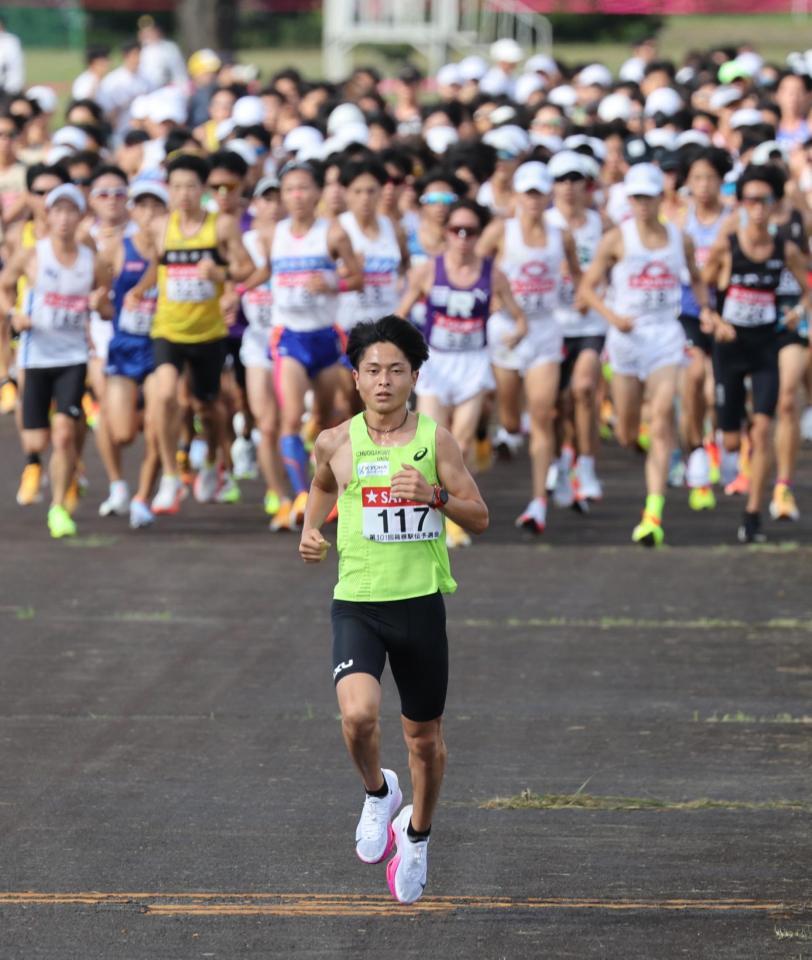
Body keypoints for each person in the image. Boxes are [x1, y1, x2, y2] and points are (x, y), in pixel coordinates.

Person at [298, 314, 488, 905]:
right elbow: (324, 483)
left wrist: (432, 495)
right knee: (357, 717)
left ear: (413, 377)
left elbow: (478, 515)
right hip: (357, 601)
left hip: (420, 606)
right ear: (355, 378)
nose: (384, 381)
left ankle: (419, 835)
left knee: (425, 742)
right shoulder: (334, 440)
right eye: (373, 370)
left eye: (396, 371)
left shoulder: (437, 441)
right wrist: (310, 529)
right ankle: (379, 791)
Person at [580, 163, 712, 547]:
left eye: (647, 196)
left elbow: (697, 277)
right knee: (625, 433)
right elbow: (588, 288)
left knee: (661, 421)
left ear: (660, 198)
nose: (640, 203)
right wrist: (612, 317)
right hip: (625, 340)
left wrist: (705, 310)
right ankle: (639, 439)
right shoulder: (616, 239)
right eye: (635, 197)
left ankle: (652, 514)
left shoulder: (678, 238)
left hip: (665, 336)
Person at [398, 198, 527, 546]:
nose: (463, 238)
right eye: (457, 230)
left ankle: (453, 514)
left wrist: (515, 333)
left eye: (470, 231)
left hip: (473, 363)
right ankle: (428, 511)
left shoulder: (492, 274)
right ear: (446, 233)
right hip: (436, 363)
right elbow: (401, 313)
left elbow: (519, 318)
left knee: (460, 442)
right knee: (428, 441)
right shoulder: (427, 270)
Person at [703, 164, 812, 543]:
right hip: (731, 346)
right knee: (732, 440)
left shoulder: (785, 248)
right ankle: (725, 442)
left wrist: (800, 309)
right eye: (750, 200)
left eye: (764, 201)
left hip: (766, 344)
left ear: (774, 203)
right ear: (742, 204)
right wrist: (713, 319)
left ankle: (752, 513)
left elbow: (807, 284)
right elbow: (699, 291)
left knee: (765, 428)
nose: (758, 208)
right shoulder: (726, 246)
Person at [255, 160, 362, 525]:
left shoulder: (332, 234)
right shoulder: (273, 233)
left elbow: (358, 279)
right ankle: (302, 496)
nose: (297, 196)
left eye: (304, 188)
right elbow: (261, 272)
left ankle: (325, 488)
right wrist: (237, 289)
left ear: (317, 193)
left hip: (324, 337)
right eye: (290, 190)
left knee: (324, 419)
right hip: (289, 337)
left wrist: (333, 284)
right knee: (289, 418)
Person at [145, 152, 252, 515]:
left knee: (208, 407)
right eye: (177, 187)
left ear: (203, 188)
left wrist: (221, 276)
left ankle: (210, 461)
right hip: (168, 330)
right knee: (164, 396)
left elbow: (245, 268)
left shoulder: (221, 226)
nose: (184, 194)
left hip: (208, 332)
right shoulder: (160, 227)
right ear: (169, 190)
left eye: (191, 186)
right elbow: (148, 271)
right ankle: (172, 477)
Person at [478, 160, 581, 533]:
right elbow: (474, 268)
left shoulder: (561, 235)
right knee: (509, 418)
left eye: (540, 193)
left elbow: (577, 274)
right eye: (528, 193)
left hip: (544, 331)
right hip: (506, 331)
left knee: (542, 412)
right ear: (517, 196)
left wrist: (579, 298)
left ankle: (538, 501)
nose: (535, 200)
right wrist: (491, 302)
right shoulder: (500, 232)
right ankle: (509, 430)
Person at [3, 184, 111, 538]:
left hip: (72, 355)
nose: (64, 219)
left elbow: (108, 306)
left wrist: (99, 305)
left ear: (81, 218)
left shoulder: (91, 260)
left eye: (71, 211)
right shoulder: (33, 255)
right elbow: (4, 286)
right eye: (58, 211)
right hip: (36, 357)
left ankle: (58, 507)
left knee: (63, 435)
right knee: (37, 442)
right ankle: (60, 462)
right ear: (47, 216)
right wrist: (14, 314)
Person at [97, 180, 168, 528]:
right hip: (125, 346)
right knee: (123, 433)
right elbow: (99, 293)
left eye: (157, 207)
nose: (150, 213)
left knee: (157, 428)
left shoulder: (177, 251)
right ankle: (119, 485)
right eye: (143, 206)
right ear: (133, 211)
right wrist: (101, 305)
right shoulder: (117, 248)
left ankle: (143, 497)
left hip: (160, 346)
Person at [546, 149, 608, 508]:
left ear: (587, 185)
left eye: (575, 179)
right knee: (556, 406)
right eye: (561, 180)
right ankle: (560, 462)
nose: (568, 187)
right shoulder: (545, 222)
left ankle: (586, 465)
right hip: (552, 327)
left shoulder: (603, 224)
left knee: (584, 390)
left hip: (590, 322)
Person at [674, 147, 731, 511]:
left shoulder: (733, 219)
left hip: (727, 311)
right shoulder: (679, 221)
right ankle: (694, 450)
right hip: (688, 312)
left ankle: (717, 445)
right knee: (693, 377)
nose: (703, 185)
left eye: (710, 178)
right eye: (696, 178)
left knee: (716, 390)